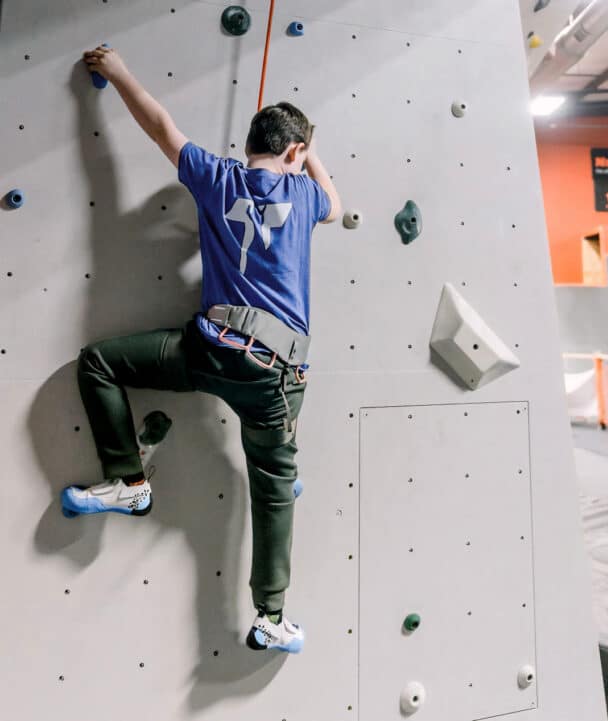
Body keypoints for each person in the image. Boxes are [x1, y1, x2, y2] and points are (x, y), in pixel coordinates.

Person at [63, 46, 342, 653]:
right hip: (273, 375)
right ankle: (270, 614)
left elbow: (161, 125)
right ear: (294, 154)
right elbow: (336, 202)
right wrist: (308, 149)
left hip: (209, 352)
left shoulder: (216, 177)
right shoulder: (307, 200)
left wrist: (118, 70)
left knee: (99, 363)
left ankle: (128, 480)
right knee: (271, 486)